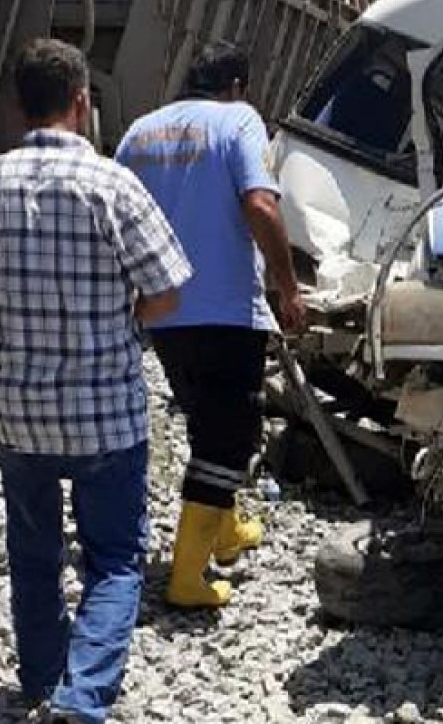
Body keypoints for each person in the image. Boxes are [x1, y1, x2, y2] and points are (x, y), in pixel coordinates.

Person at [0, 39, 192, 723]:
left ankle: (43, 682)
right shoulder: (114, 186)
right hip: (104, 410)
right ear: (83, 101)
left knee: (33, 552)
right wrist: (113, 317)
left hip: (17, 415)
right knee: (113, 560)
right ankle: (80, 703)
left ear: (17, 105)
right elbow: (167, 292)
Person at [116, 40, 305, 608]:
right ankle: (187, 578)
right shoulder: (238, 119)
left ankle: (223, 531)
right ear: (236, 86)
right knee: (230, 436)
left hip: (164, 315)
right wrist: (288, 287)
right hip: (225, 309)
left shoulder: (138, 132)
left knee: (207, 421)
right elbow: (261, 204)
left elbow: (114, 213)